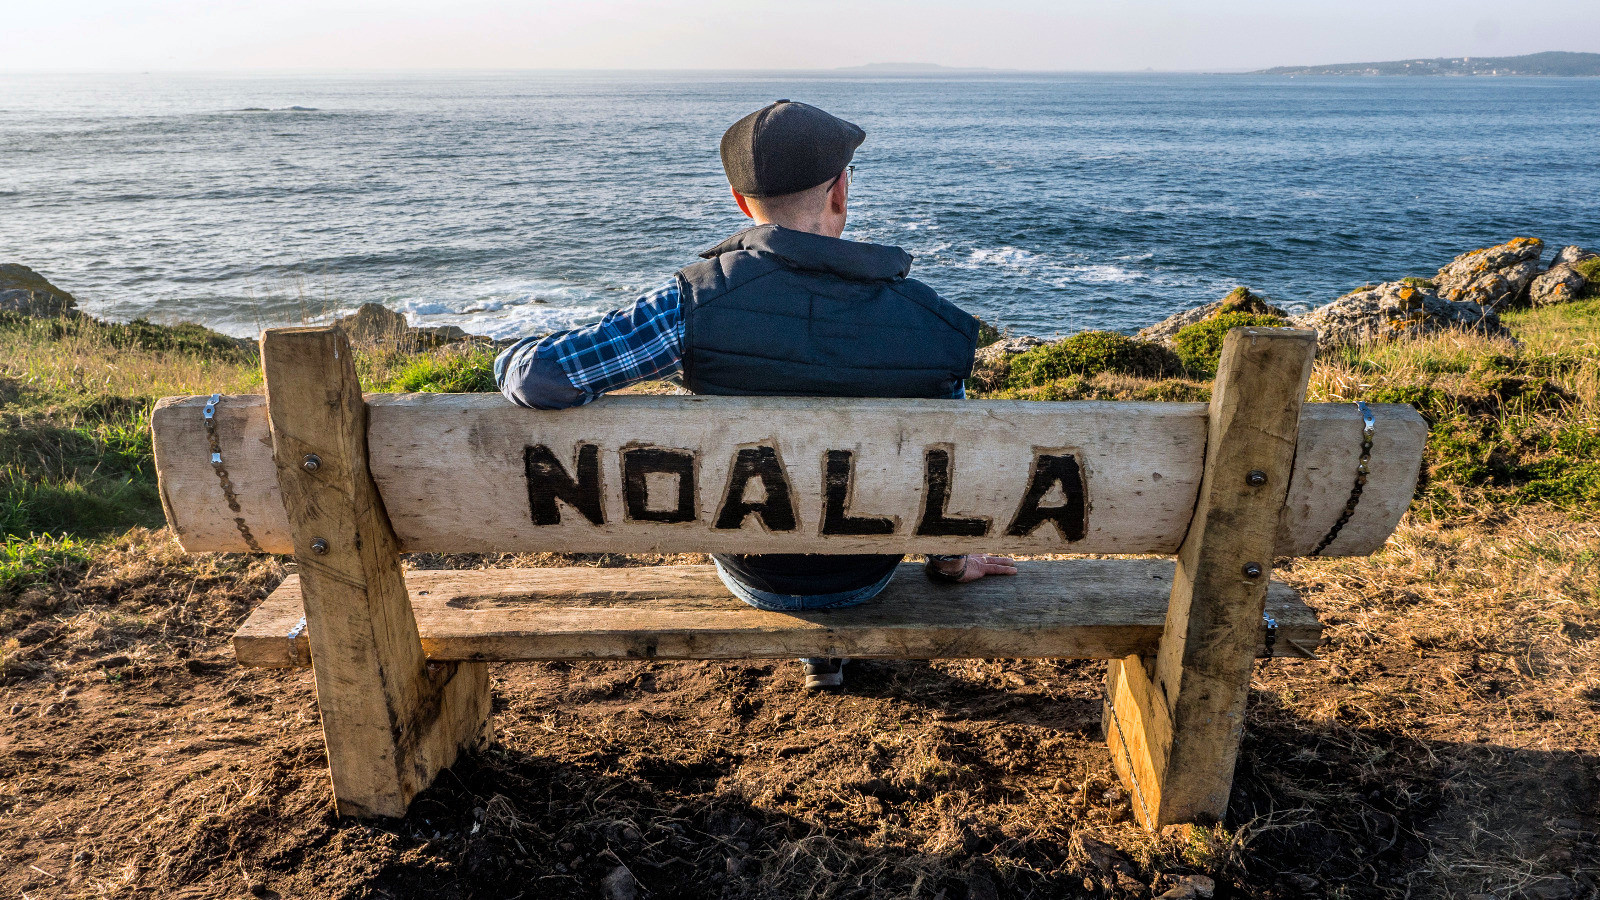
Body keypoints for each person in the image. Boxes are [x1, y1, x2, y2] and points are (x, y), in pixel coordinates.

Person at [495, 100, 1017, 690]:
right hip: (869, 572)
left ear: (744, 205)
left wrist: (504, 357)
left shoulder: (691, 307)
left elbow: (537, 378)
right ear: (840, 192)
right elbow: (945, 468)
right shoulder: (934, 328)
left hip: (753, 570)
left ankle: (816, 649)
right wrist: (951, 562)